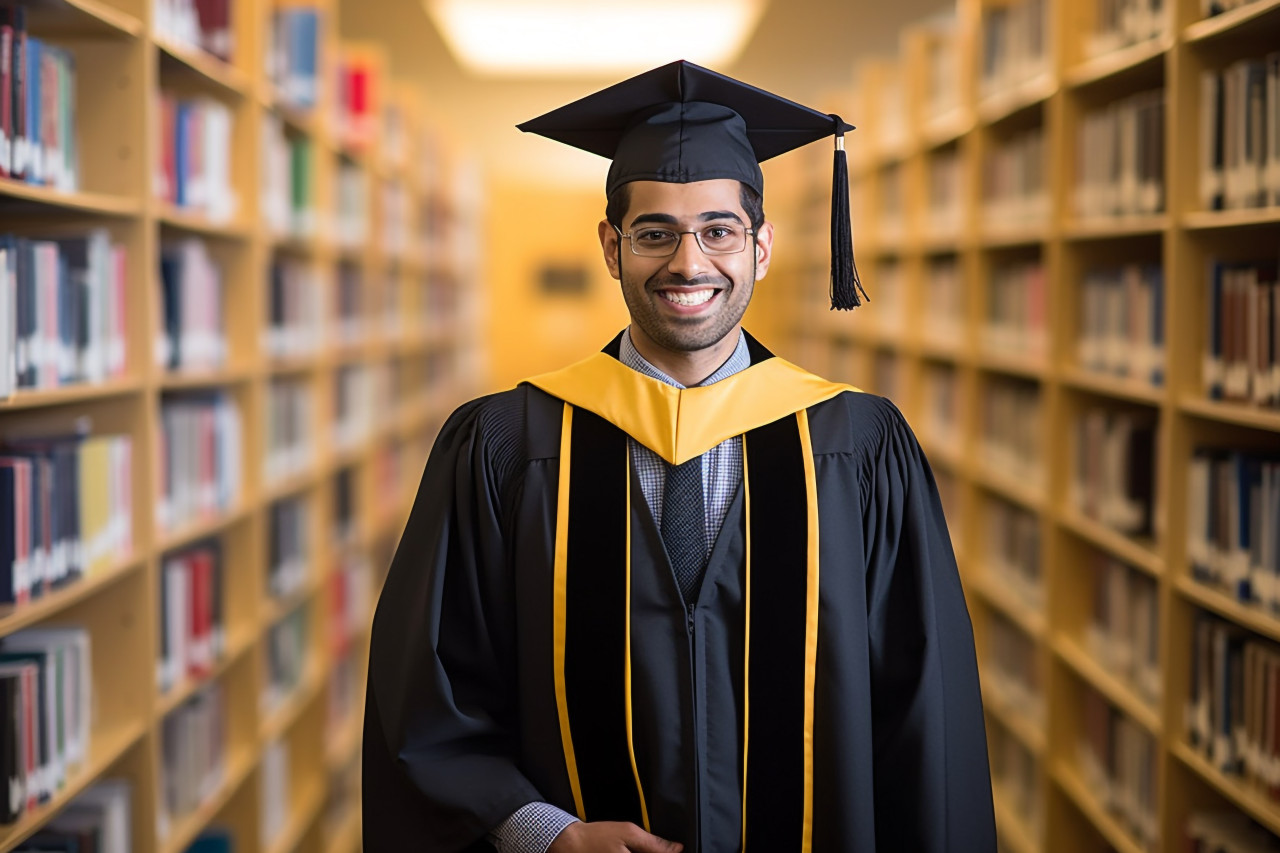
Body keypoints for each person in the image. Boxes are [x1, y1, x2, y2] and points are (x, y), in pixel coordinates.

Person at [363, 60, 996, 853]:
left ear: (761, 246)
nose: (689, 263)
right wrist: (546, 834)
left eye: (718, 231)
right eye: (655, 232)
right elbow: (427, 693)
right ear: (611, 246)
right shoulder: (506, 446)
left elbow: (923, 716)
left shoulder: (857, 449)